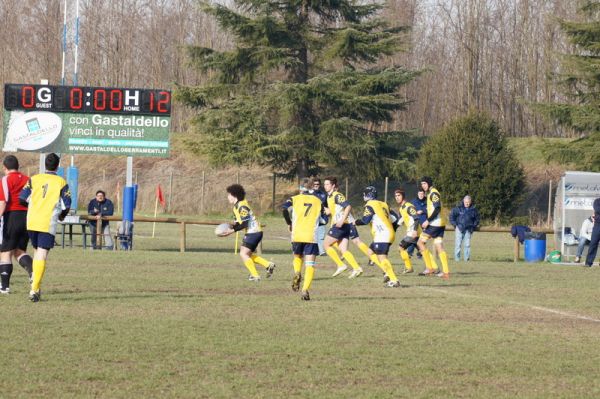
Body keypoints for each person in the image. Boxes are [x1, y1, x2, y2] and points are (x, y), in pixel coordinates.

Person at [19, 153, 71, 302]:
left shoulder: (34, 179)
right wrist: (61, 216)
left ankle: (36, 287)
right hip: (47, 222)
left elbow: (22, 198)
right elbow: (67, 204)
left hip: (32, 221)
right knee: (42, 254)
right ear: (58, 165)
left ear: (45, 165)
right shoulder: (61, 182)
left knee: (36, 253)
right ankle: (34, 290)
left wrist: (33, 208)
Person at [219, 184, 275, 281]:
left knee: (243, 254)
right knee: (247, 255)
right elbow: (238, 223)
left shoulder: (242, 206)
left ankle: (255, 275)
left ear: (234, 195)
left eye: (229, 195)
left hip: (254, 232)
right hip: (253, 232)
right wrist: (229, 228)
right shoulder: (236, 207)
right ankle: (268, 265)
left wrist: (231, 231)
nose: (227, 197)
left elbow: (245, 223)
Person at [322, 177, 374, 278]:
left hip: (340, 225)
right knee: (343, 250)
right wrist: (328, 211)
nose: (325, 186)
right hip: (342, 225)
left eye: (327, 184)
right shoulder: (329, 197)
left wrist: (341, 220)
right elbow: (335, 210)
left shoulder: (337, 195)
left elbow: (348, 206)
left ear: (333, 186)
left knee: (326, 245)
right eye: (324, 184)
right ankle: (357, 268)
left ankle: (341, 265)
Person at [282, 180, 323, 300]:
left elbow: (284, 209)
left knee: (297, 257)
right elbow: (324, 217)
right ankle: (305, 290)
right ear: (312, 189)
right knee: (310, 264)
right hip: (311, 235)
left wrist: (289, 222)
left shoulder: (294, 199)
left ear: (300, 189)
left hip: (297, 234)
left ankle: (297, 272)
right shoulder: (318, 201)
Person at [0, 155, 33, 294]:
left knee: (5, 252)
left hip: (11, 216)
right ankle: (33, 271)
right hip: (27, 217)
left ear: (4, 167)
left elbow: (3, 201)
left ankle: (5, 287)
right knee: (19, 251)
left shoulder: (5, 179)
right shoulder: (28, 179)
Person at [355, 186, 400, 287]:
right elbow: (396, 218)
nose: (363, 196)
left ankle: (393, 279)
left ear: (369, 195)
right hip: (388, 233)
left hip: (382, 234)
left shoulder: (370, 204)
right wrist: (393, 229)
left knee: (382, 258)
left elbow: (365, 220)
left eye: (365, 194)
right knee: (370, 252)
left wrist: (355, 222)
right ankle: (386, 272)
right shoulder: (384, 204)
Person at [416, 176, 450, 279]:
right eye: (422, 184)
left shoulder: (434, 193)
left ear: (429, 183)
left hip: (435, 223)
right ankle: (446, 272)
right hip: (440, 223)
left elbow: (437, 208)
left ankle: (429, 268)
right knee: (439, 246)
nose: (423, 186)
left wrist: (428, 221)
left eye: (425, 184)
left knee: (420, 243)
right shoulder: (430, 193)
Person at [393, 189, 419, 274]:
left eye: (399, 195)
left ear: (403, 196)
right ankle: (433, 268)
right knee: (422, 250)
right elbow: (401, 220)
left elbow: (416, 218)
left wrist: (415, 231)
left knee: (401, 247)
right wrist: (394, 228)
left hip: (413, 232)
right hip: (412, 232)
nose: (397, 198)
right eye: (396, 196)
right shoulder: (401, 208)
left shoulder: (409, 206)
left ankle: (409, 267)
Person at [449, 195, 480, 261]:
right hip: (459, 229)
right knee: (458, 245)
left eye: (468, 202)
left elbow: (477, 219)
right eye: (466, 202)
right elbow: (451, 217)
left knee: (467, 245)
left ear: (470, 202)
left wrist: (473, 226)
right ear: (463, 201)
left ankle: (467, 260)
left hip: (468, 230)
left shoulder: (474, 210)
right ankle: (457, 259)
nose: (467, 203)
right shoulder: (458, 208)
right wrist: (455, 225)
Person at [309, 178, 328, 256]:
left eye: (317, 184)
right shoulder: (309, 194)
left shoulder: (323, 194)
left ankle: (321, 251)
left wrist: (327, 213)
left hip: (321, 218)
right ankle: (313, 250)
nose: (316, 186)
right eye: (314, 184)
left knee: (321, 235)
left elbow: (326, 206)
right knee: (311, 235)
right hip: (311, 218)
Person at [584, 198, 600, 267]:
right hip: (598, 225)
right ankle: (588, 263)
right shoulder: (597, 201)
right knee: (593, 244)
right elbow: (598, 210)